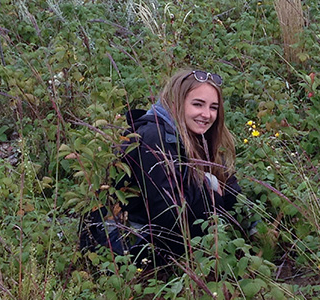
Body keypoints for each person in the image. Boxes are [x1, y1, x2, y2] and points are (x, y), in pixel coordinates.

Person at [80, 69, 241, 265]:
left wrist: (247, 219)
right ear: (175, 104)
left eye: (213, 107)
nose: (207, 114)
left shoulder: (197, 136)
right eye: (197, 104)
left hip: (159, 238)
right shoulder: (153, 137)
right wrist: (211, 189)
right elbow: (169, 213)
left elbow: (232, 190)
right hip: (123, 246)